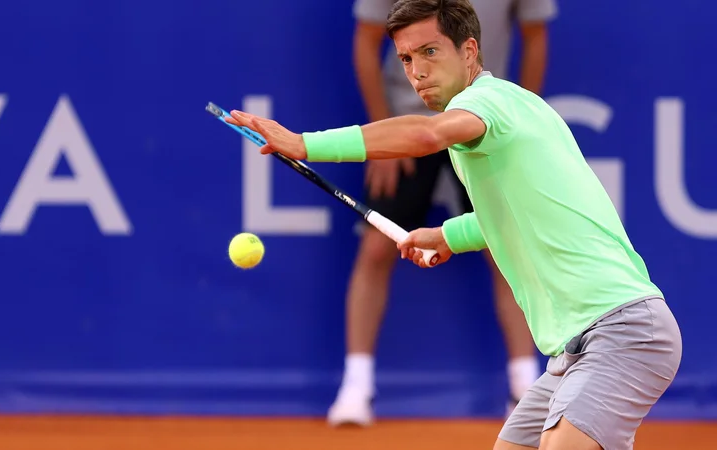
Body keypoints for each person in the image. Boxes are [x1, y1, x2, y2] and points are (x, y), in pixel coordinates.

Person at [225, 0, 683, 448]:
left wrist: (304, 143)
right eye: (406, 58)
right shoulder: (512, 112)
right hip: (572, 351)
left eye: (430, 52)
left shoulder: (490, 103)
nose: (417, 71)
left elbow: (424, 136)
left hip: (623, 331)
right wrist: (447, 236)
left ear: (468, 51)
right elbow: (514, 214)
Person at [331, 0, 557, 426]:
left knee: (505, 250)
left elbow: (535, 38)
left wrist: (517, 117)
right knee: (378, 249)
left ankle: (525, 386)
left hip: (481, 121)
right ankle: (356, 386)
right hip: (405, 122)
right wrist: (381, 132)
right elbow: (365, 40)